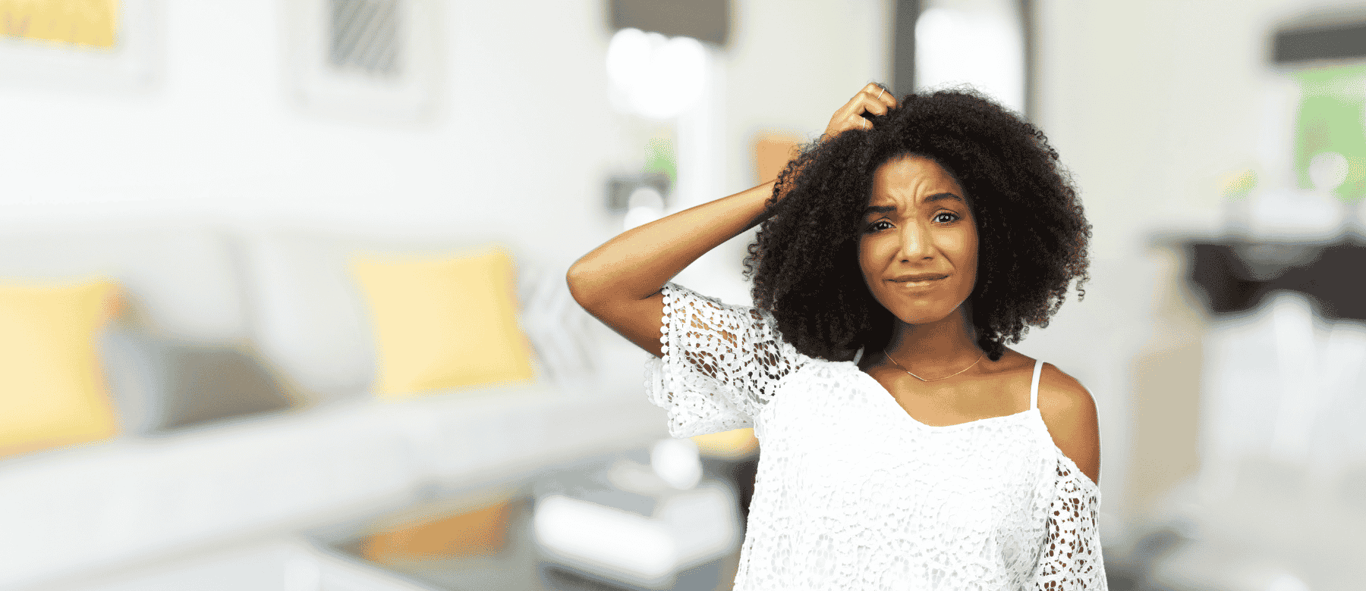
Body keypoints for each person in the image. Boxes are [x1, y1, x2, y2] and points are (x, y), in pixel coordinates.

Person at [567, 84, 1104, 590]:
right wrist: (796, 183)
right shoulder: (788, 374)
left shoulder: (1053, 412)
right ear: (845, 243)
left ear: (994, 228)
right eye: (880, 224)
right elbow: (599, 285)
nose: (914, 248)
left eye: (944, 216)